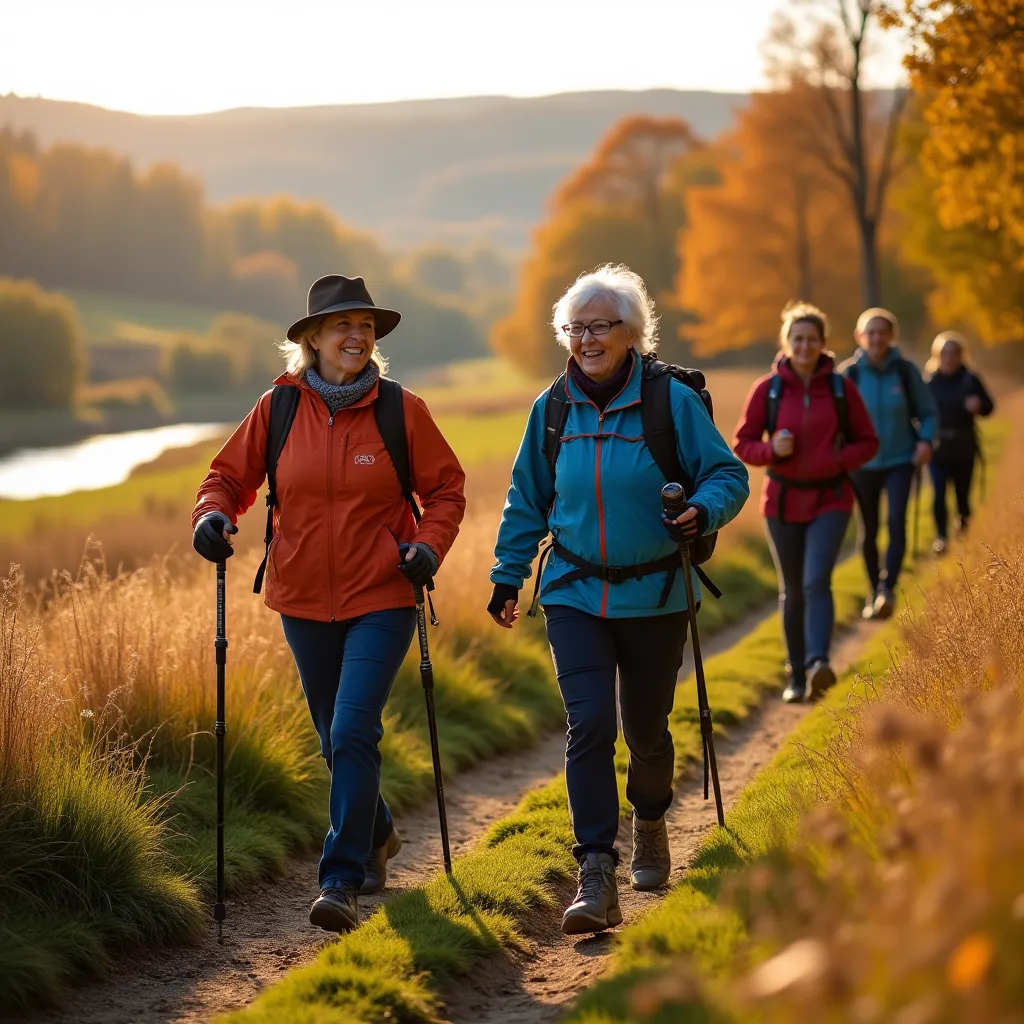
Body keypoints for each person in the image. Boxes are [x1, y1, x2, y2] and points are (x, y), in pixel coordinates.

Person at [191, 275, 466, 933]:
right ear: (311, 339)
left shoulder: (402, 410)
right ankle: (376, 833)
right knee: (333, 737)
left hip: (383, 594)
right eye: (342, 325)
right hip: (301, 597)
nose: (356, 336)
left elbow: (447, 491)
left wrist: (428, 547)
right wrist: (210, 517)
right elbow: (227, 478)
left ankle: (339, 880)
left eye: (366, 326)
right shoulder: (278, 409)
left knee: (350, 728)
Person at [487, 265, 749, 935]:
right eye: (576, 328)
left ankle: (652, 818)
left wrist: (702, 510)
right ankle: (596, 872)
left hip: (659, 593)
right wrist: (507, 574)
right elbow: (527, 499)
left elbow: (727, 474)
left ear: (631, 332)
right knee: (590, 725)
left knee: (647, 731)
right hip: (575, 592)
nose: (587, 339)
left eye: (601, 326)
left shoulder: (670, 402)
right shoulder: (551, 412)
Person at [733, 302, 878, 704]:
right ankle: (796, 675)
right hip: (781, 502)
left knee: (817, 581)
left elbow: (869, 442)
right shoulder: (768, 389)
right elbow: (742, 443)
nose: (804, 346)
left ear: (823, 344)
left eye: (812, 339)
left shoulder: (840, 388)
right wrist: (771, 450)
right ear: (786, 342)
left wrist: (837, 459)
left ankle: (818, 664)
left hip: (831, 498)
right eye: (797, 338)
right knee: (792, 591)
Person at [838, 308, 937, 620]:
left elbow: (929, 413)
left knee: (896, 522)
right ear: (859, 337)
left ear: (891, 336)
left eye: (882, 332)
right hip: (861, 465)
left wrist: (925, 441)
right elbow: (836, 421)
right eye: (870, 332)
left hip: (900, 460)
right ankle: (873, 590)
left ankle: (888, 589)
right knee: (868, 530)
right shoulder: (848, 375)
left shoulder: (906, 371)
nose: (876, 338)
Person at [924, 331, 994, 553]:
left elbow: (989, 406)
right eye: (945, 353)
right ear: (937, 355)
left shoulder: (970, 379)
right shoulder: (930, 382)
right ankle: (941, 537)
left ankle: (964, 532)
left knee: (962, 495)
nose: (949, 357)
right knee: (938, 493)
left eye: (954, 353)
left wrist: (979, 405)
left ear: (961, 355)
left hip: (964, 447)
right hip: (938, 448)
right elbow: (919, 412)